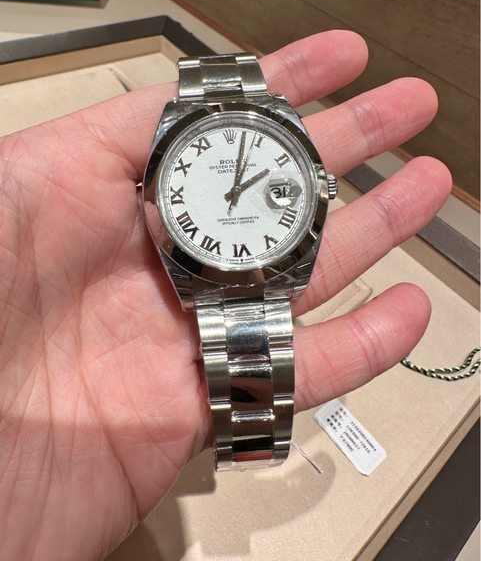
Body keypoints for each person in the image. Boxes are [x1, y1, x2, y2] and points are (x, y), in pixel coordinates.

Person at [0, 31, 451, 560]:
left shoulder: (287, 173)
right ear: (151, 197)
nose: (234, 196)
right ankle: (250, 442)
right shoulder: (165, 188)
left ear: (320, 189)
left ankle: (251, 442)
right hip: (209, 273)